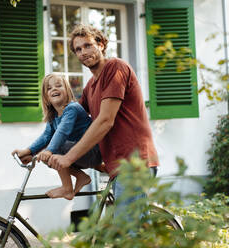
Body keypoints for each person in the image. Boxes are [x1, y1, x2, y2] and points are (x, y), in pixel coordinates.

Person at [47, 24, 159, 211]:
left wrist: (69, 158)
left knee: (127, 233)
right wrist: (34, 150)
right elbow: (70, 120)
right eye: (78, 49)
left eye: (88, 45)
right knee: (127, 232)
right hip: (115, 166)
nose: (83, 52)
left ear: (101, 44)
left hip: (134, 162)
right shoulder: (90, 86)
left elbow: (105, 121)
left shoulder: (116, 68)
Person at [12, 73, 102, 200]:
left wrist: (49, 151)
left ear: (67, 91)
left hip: (92, 151)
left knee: (55, 150)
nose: (54, 89)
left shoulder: (72, 109)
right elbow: (46, 136)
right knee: (44, 157)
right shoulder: (53, 115)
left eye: (59, 85)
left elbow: (62, 131)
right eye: (49, 88)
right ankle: (81, 176)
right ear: (46, 97)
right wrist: (28, 152)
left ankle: (67, 188)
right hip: (77, 155)